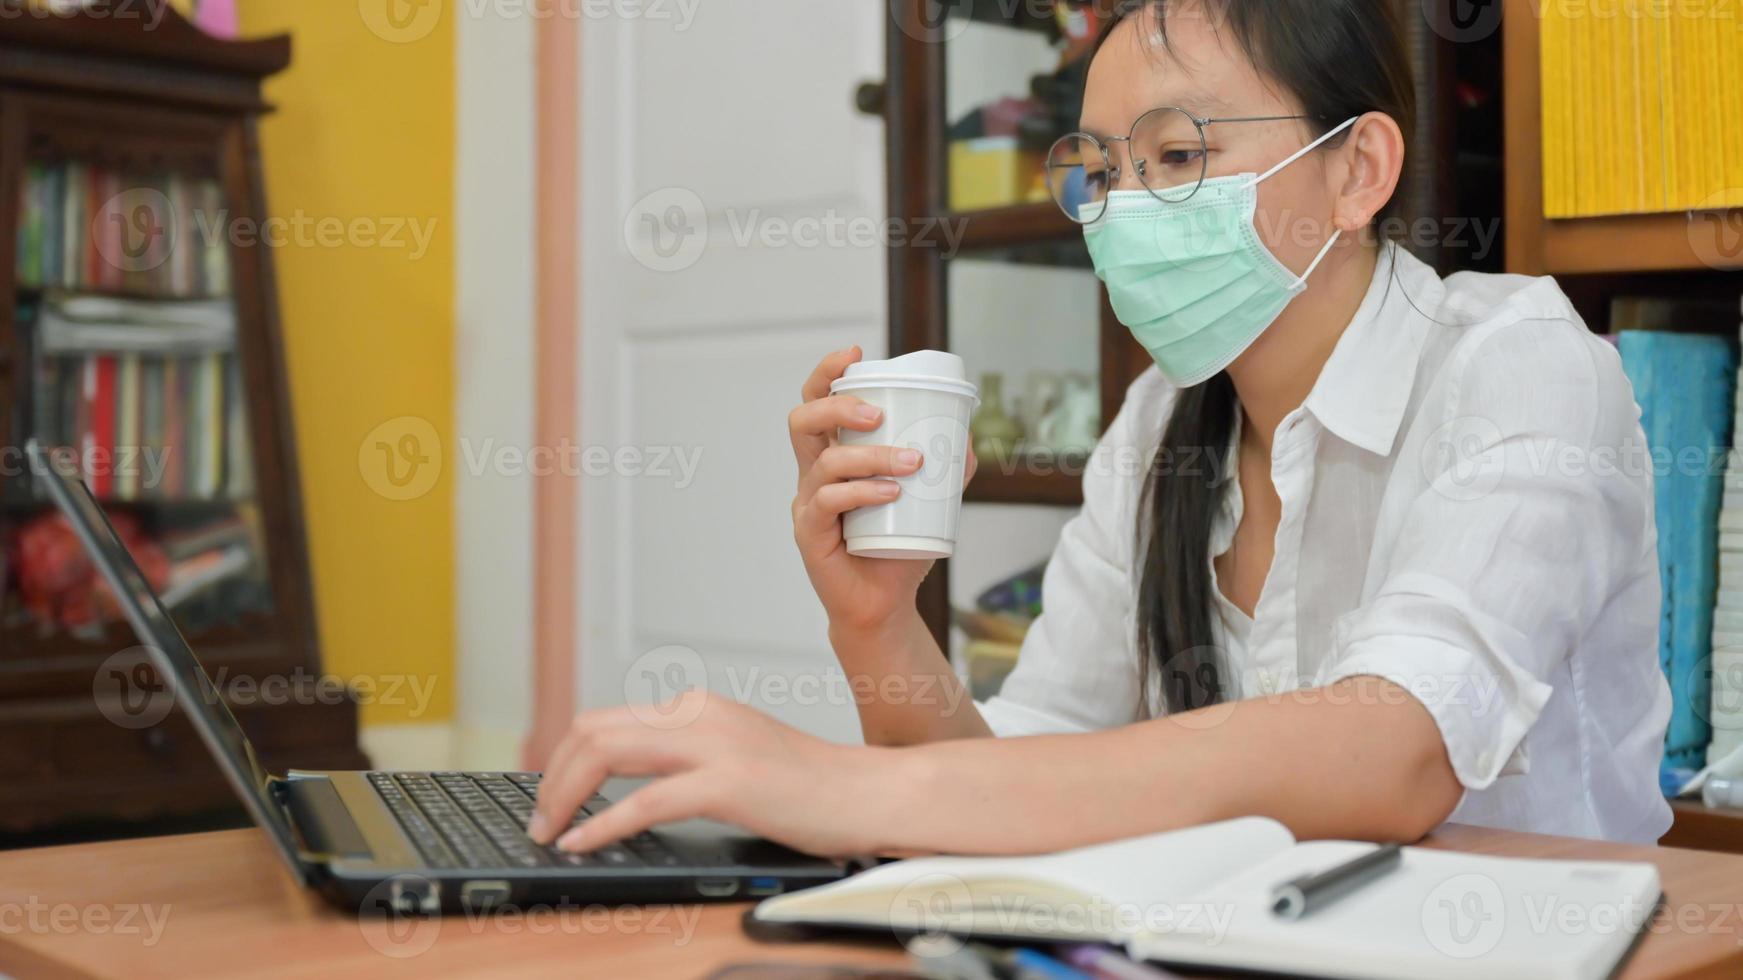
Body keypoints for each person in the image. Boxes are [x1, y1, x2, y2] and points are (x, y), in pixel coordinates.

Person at [528, 0, 1671, 857]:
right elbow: (1005, 781)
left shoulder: (1518, 365)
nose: (1121, 214)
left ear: (1358, 170)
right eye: (1097, 173)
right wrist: (878, 627)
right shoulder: (1160, 426)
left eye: (1178, 157)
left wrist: (824, 785)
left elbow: (1396, 747)